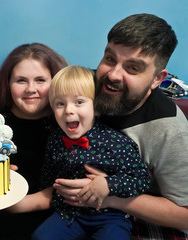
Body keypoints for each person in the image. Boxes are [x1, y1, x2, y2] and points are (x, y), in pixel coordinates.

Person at [53, 14, 188, 238]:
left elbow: (185, 215)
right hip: (68, 212)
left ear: (157, 79)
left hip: (136, 220)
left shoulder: (171, 131)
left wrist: (112, 197)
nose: (113, 75)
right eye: (109, 59)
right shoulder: (83, 90)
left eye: (133, 68)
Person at [9, 65, 151, 240]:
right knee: (40, 236)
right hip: (69, 213)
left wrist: (108, 184)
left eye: (79, 102)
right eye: (60, 104)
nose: (68, 110)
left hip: (109, 215)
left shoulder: (116, 142)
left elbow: (141, 180)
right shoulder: (55, 140)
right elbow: (49, 178)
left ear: (96, 107)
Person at [0, 43, 68, 239]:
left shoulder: (69, 125)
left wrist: (24, 203)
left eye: (40, 80)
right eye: (21, 80)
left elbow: (79, 183)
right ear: (8, 83)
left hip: (49, 219)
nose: (31, 89)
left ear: (56, 82)